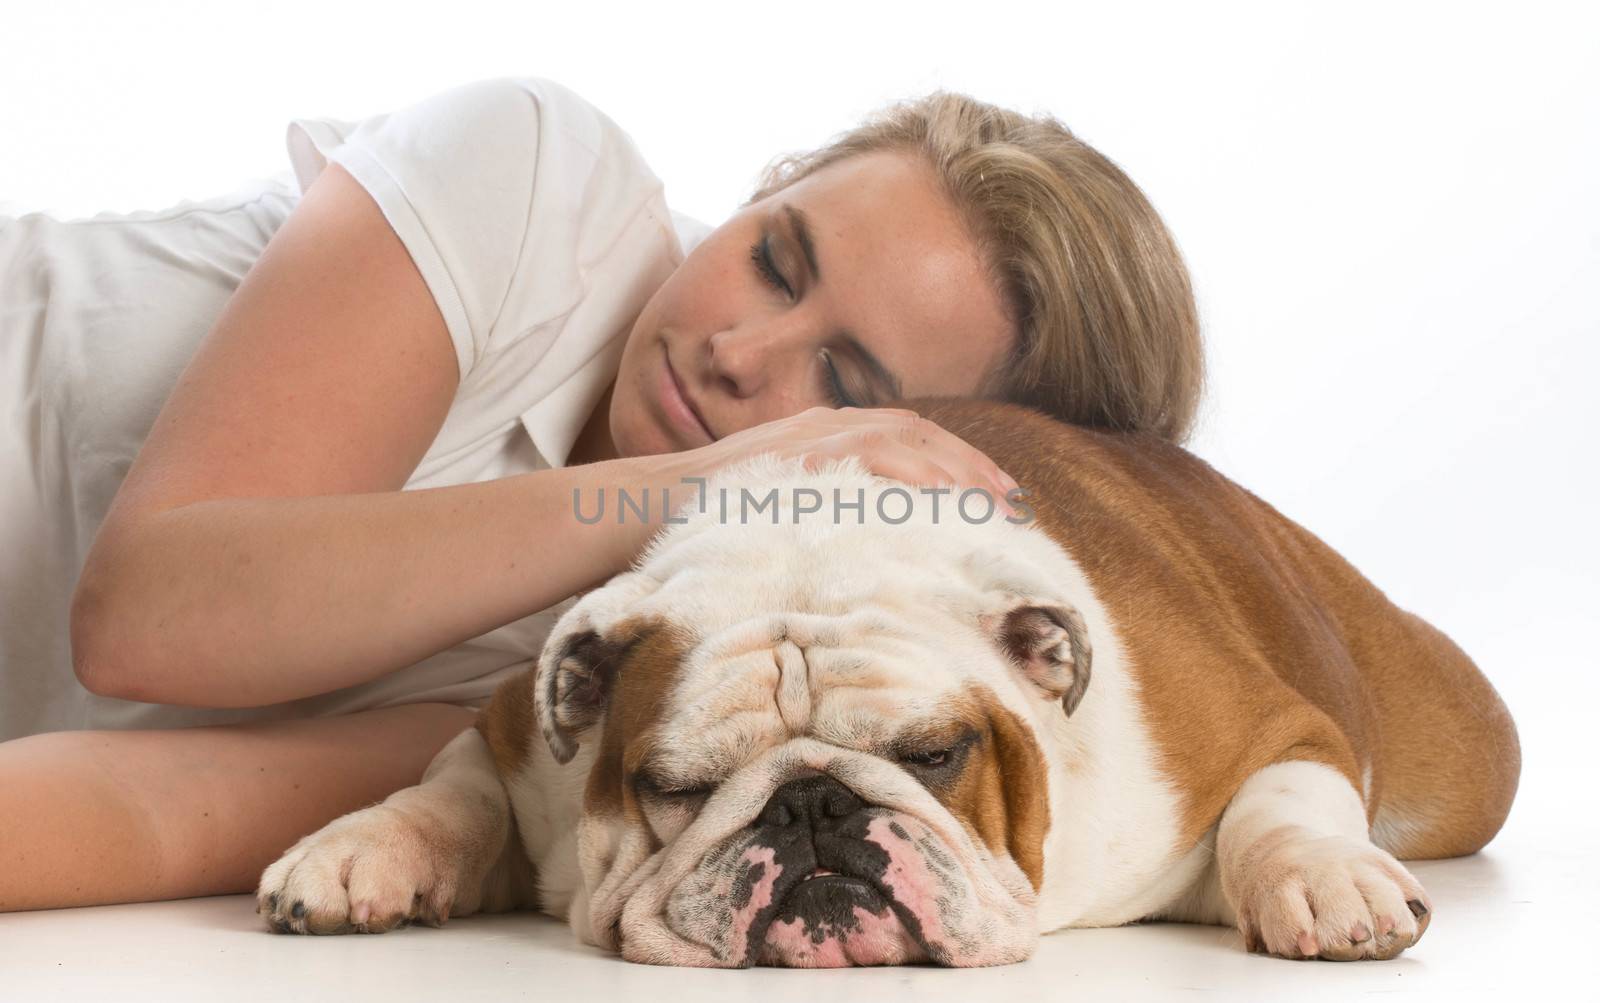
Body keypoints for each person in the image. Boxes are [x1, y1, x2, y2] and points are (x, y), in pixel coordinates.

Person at [0, 76, 1203, 912]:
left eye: (838, 383)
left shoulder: (656, 682)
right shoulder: (532, 179)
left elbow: (155, 809)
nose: (740, 350)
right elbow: (149, 610)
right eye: (771, 258)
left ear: (927, 467)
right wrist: (709, 479)